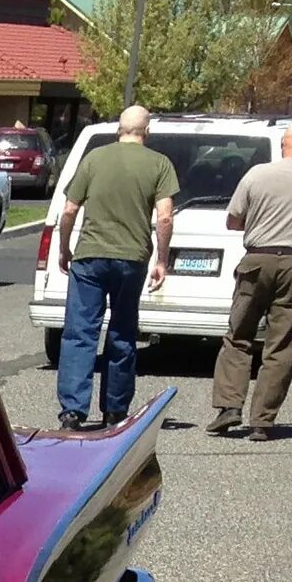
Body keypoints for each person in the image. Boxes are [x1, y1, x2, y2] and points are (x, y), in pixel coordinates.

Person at [211, 120, 292, 440]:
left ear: (284, 143)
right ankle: (262, 420)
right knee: (282, 344)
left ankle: (229, 406)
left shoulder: (257, 173)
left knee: (239, 335)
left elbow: (233, 220)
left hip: (257, 259)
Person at [53, 106, 177, 432]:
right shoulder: (159, 164)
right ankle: (114, 409)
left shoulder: (94, 158)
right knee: (122, 332)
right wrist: (161, 260)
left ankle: (72, 411)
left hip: (89, 257)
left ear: (118, 129)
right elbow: (164, 216)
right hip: (131, 259)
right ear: (146, 131)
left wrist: (65, 247)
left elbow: (69, 210)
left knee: (80, 333)